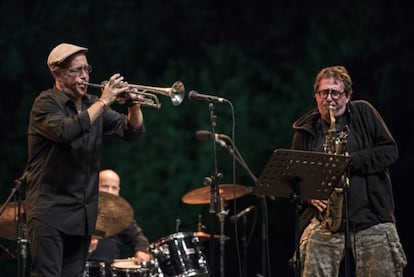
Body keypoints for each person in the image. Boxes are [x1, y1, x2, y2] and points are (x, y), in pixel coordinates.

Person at [24, 42, 145, 276]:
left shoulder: (91, 103)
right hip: (50, 211)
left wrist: (134, 106)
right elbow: (66, 132)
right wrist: (105, 100)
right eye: (76, 71)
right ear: (57, 73)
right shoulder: (45, 103)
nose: (84, 76)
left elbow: (132, 131)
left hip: (81, 215)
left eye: (87, 69)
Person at [290, 65, 407, 276]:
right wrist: (308, 194)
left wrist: (349, 161)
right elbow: (294, 177)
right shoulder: (305, 131)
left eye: (335, 92)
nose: (329, 98)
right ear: (316, 96)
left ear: (347, 95)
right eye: (324, 92)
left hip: (371, 218)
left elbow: (389, 151)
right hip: (325, 222)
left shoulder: (364, 112)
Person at [86, 169, 152, 276]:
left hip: (110, 272)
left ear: (118, 191)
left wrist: (142, 251)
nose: (110, 191)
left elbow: (138, 238)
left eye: (114, 188)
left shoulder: (120, 216)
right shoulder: (81, 212)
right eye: (105, 186)